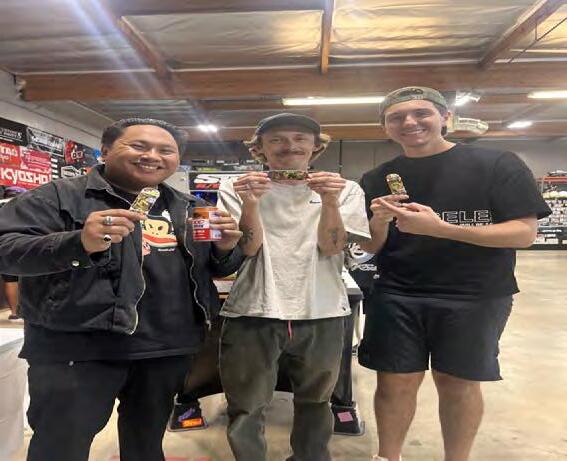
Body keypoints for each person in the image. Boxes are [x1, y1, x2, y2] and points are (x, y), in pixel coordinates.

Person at [0, 118, 244, 461]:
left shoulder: (186, 205)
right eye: (139, 146)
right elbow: (6, 251)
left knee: (146, 446)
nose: (153, 156)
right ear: (106, 150)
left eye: (165, 150)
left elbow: (212, 269)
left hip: (165, 349)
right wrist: (78, 242)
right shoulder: (58, 196)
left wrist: (225, 249)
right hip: (77, 348)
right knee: (60, 447)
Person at [357, 87, 551, 461]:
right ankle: (387, 457)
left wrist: (442, 229)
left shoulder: (497, 164)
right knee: (394, 383)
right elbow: (370, 246)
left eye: (421, 113)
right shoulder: (378, 177)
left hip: (475, 294)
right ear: (385, 127)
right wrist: (378, 221)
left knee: (457, 384)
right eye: (396, 117)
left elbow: (524, 233)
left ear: (446, 118)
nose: (409, 122)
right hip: (397, 293)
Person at [216, 113, 370, 461]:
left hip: (322, 309)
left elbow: (332, 246)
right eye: (277, 140)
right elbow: (248, 248)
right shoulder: (237, 187)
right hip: (253, 309)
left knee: (317, 401)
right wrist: (250, 202)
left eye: (300, 138)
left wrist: (330, 201)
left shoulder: (344, 189)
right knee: (246, 404)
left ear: (316, 147)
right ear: (259, 149)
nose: (290, 146)